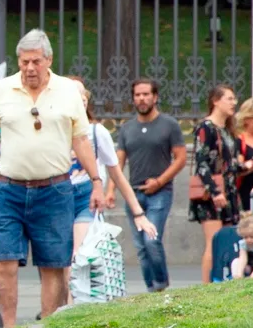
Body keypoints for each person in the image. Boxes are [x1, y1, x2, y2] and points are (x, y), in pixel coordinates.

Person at [0, 30, 104, 325]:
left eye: (35, 61)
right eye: (24, 62)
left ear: (49, 60)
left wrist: (96, 181)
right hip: (8, 188)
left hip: (54, 189)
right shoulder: (2, 90)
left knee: (54, 264)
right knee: (5, 260)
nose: (30, 68)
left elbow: (81, 139)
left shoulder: (68, 91)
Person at [115, 78, 187, 292]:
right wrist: (110, 190)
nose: (142, 98)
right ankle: (151, 290)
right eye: (137, 95)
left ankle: (160, 285)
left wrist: (160, 181)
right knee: (140, 246)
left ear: (155, 97)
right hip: (134, 194)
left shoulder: (169, 125)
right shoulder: (127, 128)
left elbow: (181, 158)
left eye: (146, 94)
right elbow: (118, 162)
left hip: (160, 193)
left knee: (151, 239)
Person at [68, 81, 155, 255]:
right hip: (56, 196)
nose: (81, 98)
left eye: (83, 94)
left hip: (86, 197)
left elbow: (116, 173)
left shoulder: (96, 132)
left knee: (78, 255)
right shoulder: (54, 130)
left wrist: (138, 213)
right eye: (75, 94)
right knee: (56, 261)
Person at [191, 85, 241, 282]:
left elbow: (230, 164)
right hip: (211, 193)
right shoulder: (206, 128)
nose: (233, 103)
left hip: (228, 191)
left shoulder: (226, 130)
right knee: (214, 242)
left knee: (227, 242)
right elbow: (201, 162)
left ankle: (223, 282)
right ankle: (207, 287)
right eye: (229, 98)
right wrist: (214, 191)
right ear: (215, 101)